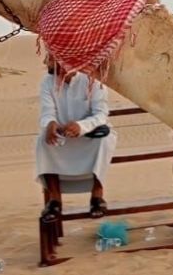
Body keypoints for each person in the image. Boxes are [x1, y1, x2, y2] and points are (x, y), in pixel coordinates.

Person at [36, 55, 116, 222]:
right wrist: (50, 123)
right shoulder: (47, 82)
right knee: (41, 142)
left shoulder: (92, 80)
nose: (48, 63)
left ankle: (97, 196)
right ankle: (55, 200)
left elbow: (101, 114)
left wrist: (81, 127)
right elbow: (47, 112)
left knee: (104, 141)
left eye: (53, 60)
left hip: (90, 135)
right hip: (63, 136)